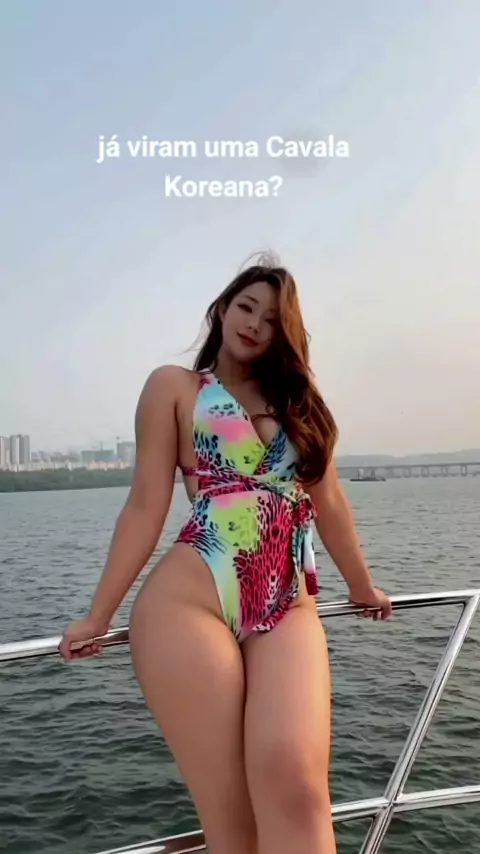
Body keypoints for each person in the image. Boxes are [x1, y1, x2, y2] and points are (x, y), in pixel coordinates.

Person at [59, 256, 392, 854]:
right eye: (246, 307)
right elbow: (145, 506)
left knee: (298, 789)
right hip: (191, 604)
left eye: (273, 319)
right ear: (221, 309)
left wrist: (361, 586)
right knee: (232, 818)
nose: (255, 324)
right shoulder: (175, 387)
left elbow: (330, 501)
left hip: (286, 604)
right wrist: (98, 615)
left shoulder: (298, 401)